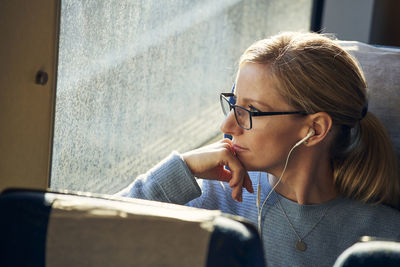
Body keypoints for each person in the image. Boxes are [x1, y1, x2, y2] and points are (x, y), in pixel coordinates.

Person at [117, 32, 400, 266]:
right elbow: (88, 234)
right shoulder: (210, 195)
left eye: (250, 110)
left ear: (314, 130)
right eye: (233, 104)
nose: (226, 125)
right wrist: (183, 168)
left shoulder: (384, 239)